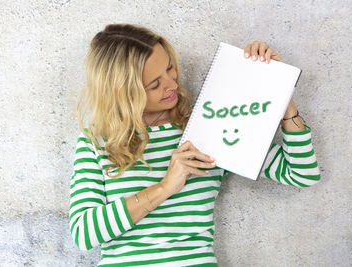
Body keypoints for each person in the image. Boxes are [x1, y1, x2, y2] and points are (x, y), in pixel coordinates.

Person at [69, 23, 321, 266]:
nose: (172, 84)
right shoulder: (98, 142)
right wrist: (166, 186)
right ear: (123, 92)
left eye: (170, 68)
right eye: (155, 84)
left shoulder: (208, 126)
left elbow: (301, 173)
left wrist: (280, 89)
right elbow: (83, 234)